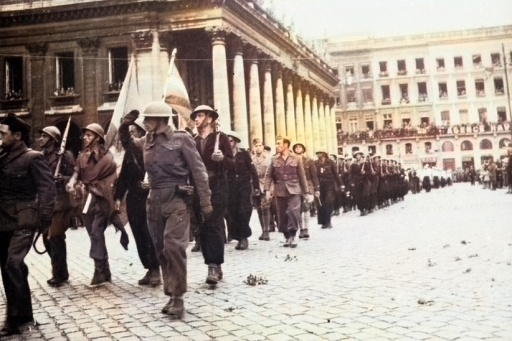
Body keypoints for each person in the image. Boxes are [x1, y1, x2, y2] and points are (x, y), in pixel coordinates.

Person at [119, 102, 212, 318]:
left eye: (149, 119)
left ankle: (178, 298)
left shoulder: (181, 139)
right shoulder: (147, 140)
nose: (145, 123)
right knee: (160, 250)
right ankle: (171, 293)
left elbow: (199, 171)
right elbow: (128, 144)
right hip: (153, 201)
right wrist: (124, 125)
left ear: (162, 119)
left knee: (174, 248)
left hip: (177, 198)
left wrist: (205, 202)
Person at [0, 114, 56, 336]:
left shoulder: (33, 158)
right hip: (3, 221)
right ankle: (25, 315)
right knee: (8, 267)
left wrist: (43, 221)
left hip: (24, 220)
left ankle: (14, 319)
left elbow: (47, 190)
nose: (0, 138)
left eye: (2, 134)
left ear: (17, 135)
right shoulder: (2, 157)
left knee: (13, 264)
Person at [66, 123, 118, 286]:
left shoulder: (107, 157)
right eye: (85, 135)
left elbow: (111, 175)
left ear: (98, 138)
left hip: (102, 198)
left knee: (96, 232)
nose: (85, 138)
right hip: (87, 198)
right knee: (92, 233)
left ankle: (99, 270)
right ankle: (105, 269)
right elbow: (76, 173)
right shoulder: (82, 156)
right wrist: (71, 182)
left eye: (89, 135)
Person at [114, 112, 161, 287]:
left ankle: (156, 268)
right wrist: (118, 197)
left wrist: (152, 183)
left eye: (136, 131)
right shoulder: (132, 150)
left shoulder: (157, 148)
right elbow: (124, 176)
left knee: (150, 234)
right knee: (138, 234)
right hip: (134, 197)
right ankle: (149, 267)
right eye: (132, 131)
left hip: (151, 197)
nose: (133, 135)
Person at [191, 104, 234, 285]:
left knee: (214, 224)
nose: (196, 119)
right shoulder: (192, 140)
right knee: (203, 227)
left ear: (209, 118)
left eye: (199, 116)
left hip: (217, 187)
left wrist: (222, 159)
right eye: (195, 116)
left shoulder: (220, 138)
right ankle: (212, 263)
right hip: (197, 188)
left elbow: (234, 165)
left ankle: (214, 266)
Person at [38, 125, 77, 287]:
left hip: (61, 202)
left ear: (53, 140)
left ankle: (59, 274)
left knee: (55, 237)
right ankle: (61, 271)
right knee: (46, 239)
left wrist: (64, 178)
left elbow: (75, 174)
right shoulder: (39, 156)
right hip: (46, 202)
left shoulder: (65, 155)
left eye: (44, 136)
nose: (41, 139)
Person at [264, 136, 309, 248]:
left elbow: (302, 176)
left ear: (286, 145)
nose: (277, 146)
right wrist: (267, 190)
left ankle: (293, 235)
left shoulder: (296, 158)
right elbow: (268, 175)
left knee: (294, 212)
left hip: (294, 189)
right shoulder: (274, 159)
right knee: (282, 214)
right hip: (279, 190)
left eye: (279, 143)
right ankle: (286, 236)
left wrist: (306, 192)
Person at [225, 131, 259, 250]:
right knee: (232, 212)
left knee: (244, 211)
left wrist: (256, 187)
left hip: (244, 186)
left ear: (236, 142)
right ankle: (238, 237)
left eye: (231, 141)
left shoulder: (243, 153)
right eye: (227, 141)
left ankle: (244, 237)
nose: (229, 143)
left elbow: (252, 170)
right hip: (231, 187)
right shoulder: (225, 155)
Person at [292, 142, 319, 238]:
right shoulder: (292, 160)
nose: (298, 149)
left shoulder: (309, 160)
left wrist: (316, 188)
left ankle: (306, 229)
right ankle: (301, 228)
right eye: (296, 147)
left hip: (308, 185)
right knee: (297, 208)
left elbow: (314, 175)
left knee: (306, 207)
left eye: (300, 147)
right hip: (296, 186)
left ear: (303, 149)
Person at [314, 147, 342, 228]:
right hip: (320, 185)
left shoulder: (330, 162)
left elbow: (336, 174)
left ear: (324, 154)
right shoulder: (315, 163)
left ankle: (328, 220)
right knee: (320, 203)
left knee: (328, 202)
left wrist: (341, 184)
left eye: (320, 153)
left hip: (330, 184)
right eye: (317, 153)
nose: (318, 155)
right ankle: (323, 222)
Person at [251, 138, 272, 241]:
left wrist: (271, 188)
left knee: (265, 207)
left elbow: (271, 174)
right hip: (255, 186)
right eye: (256, 146)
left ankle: (266, 231)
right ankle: (263, 230)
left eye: (260, 145)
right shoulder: (251, 159)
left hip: (265, 185)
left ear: (263, 147)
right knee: (259, 208)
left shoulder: (268, 159)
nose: (258, 148)